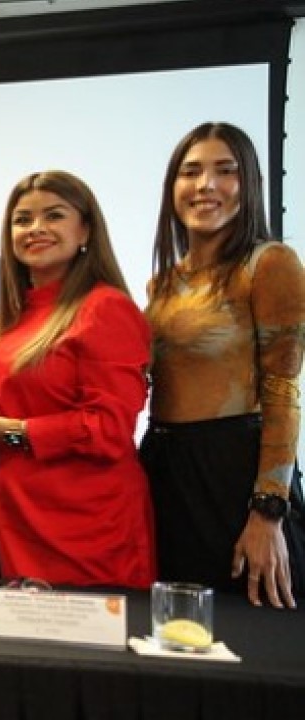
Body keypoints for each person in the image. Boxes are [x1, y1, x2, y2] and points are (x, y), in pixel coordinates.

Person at [0, 170, 155, 589]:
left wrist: (7, 430)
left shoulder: (105, 308)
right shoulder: (14, 312)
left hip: (86, 519)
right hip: (19, 512)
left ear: (86, 230)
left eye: (54, 215)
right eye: (23, 219)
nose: (36, 228)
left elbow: (109, 428)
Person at [142, 122, 305, 609]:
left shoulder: (270, 264)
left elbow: (283, 391)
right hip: (165, 468)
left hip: (234, 475)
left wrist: (268, 510)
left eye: (225, 170)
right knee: (174, 627)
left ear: (249, 183)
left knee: (252, 625)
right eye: (190, 171)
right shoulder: (162, 285)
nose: (205, 185)